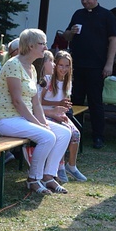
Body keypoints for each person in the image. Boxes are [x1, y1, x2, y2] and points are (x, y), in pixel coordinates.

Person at [0, 29, 72, 195]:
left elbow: (35, 101)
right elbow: (18, 101)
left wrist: (43, 122)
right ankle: (33, 179)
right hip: (7, 119)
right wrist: (38, 124)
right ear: (30, 46)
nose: (45, 47)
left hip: (23, 118)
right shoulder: (13, 65)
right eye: (42, 43)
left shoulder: (31, 67)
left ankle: (48, 176)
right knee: (47, 136)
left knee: (64, 133)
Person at [64, 0, 116, 149]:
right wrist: (71, 32)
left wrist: (109, 63)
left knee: (95, 102)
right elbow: (65, 36)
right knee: (75, 101)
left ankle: (98, 137)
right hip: (77, 65)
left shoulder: (106, 15)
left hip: (97, 66)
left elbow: (113, 39)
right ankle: (75, 134)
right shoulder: (78, 14)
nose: (85, 1)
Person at [39, 50, 87, 182]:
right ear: (55, 64)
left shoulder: (67, 81)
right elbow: (39, 102)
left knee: (76, 134)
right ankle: (59, 166)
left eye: (67, 66)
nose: (64, 69)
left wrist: (64, 108)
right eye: (61, 65)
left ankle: (72, 166)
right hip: (45, 113)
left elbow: (64, 101)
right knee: (63, 134)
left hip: (58, 113)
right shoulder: (48, 79)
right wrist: (57, 104)